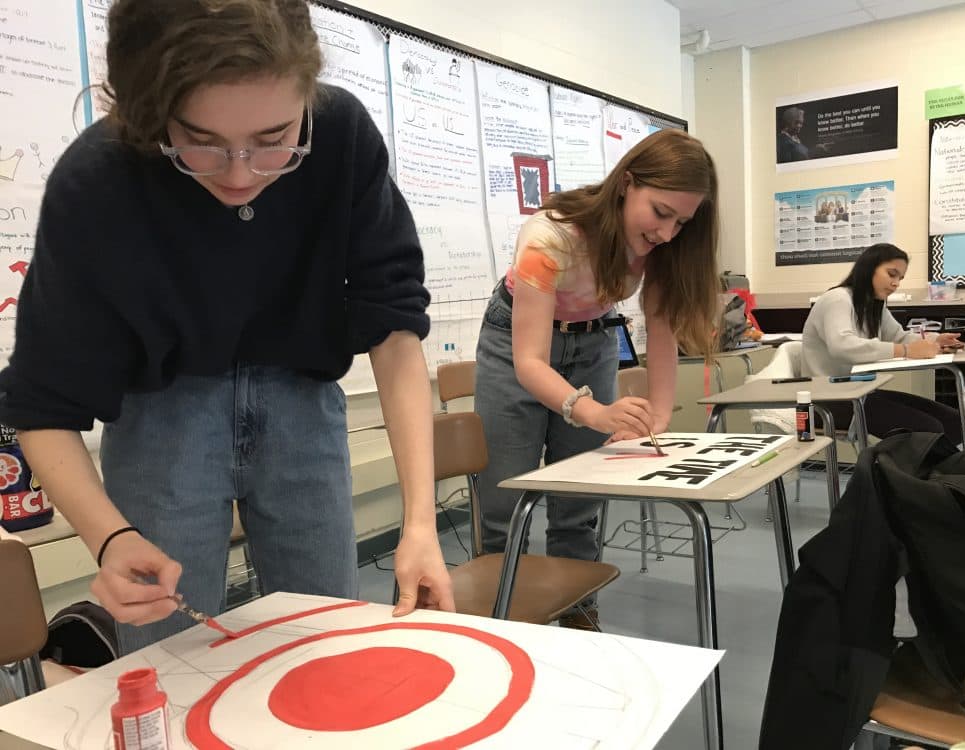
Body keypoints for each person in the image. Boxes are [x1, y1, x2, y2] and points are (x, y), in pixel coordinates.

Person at [0, 0, 454, 654]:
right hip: (162, 410)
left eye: (274, 140)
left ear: (306, 92)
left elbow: (394, 327)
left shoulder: (341, 133)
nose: (242, 175)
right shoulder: (97, 179)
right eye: (201, 143)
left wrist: (419, 523)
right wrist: (111, 538)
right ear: (147, 112)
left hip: (302, 395)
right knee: (166, 654)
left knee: (325, 641)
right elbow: (40, 404)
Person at [474, 129, 720, 630]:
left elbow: (662, 328)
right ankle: (497, 616)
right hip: (514, 342)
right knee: (502, 498)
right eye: (660, 212)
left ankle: (577, 612)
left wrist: (660, 412)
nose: (668, 233)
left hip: (592, 341)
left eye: (683, 221)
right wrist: (596, 413)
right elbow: (530, 362)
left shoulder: (666, 244)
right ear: (627, 183)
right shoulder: (552, 236)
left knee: (580, 498)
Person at [802, 243, 965, 444]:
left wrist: (935, 341)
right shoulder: (837, 299)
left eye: (900, 278)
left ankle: (936, 473)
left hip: (860, 392)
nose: (896, 283)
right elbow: (842, 346)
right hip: (828, 400)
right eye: (891, 274)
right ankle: (908, 474)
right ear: (869, 268)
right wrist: (907, 350)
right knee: (930, 430)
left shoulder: (873, 306)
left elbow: (899, 337)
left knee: (955, 423)